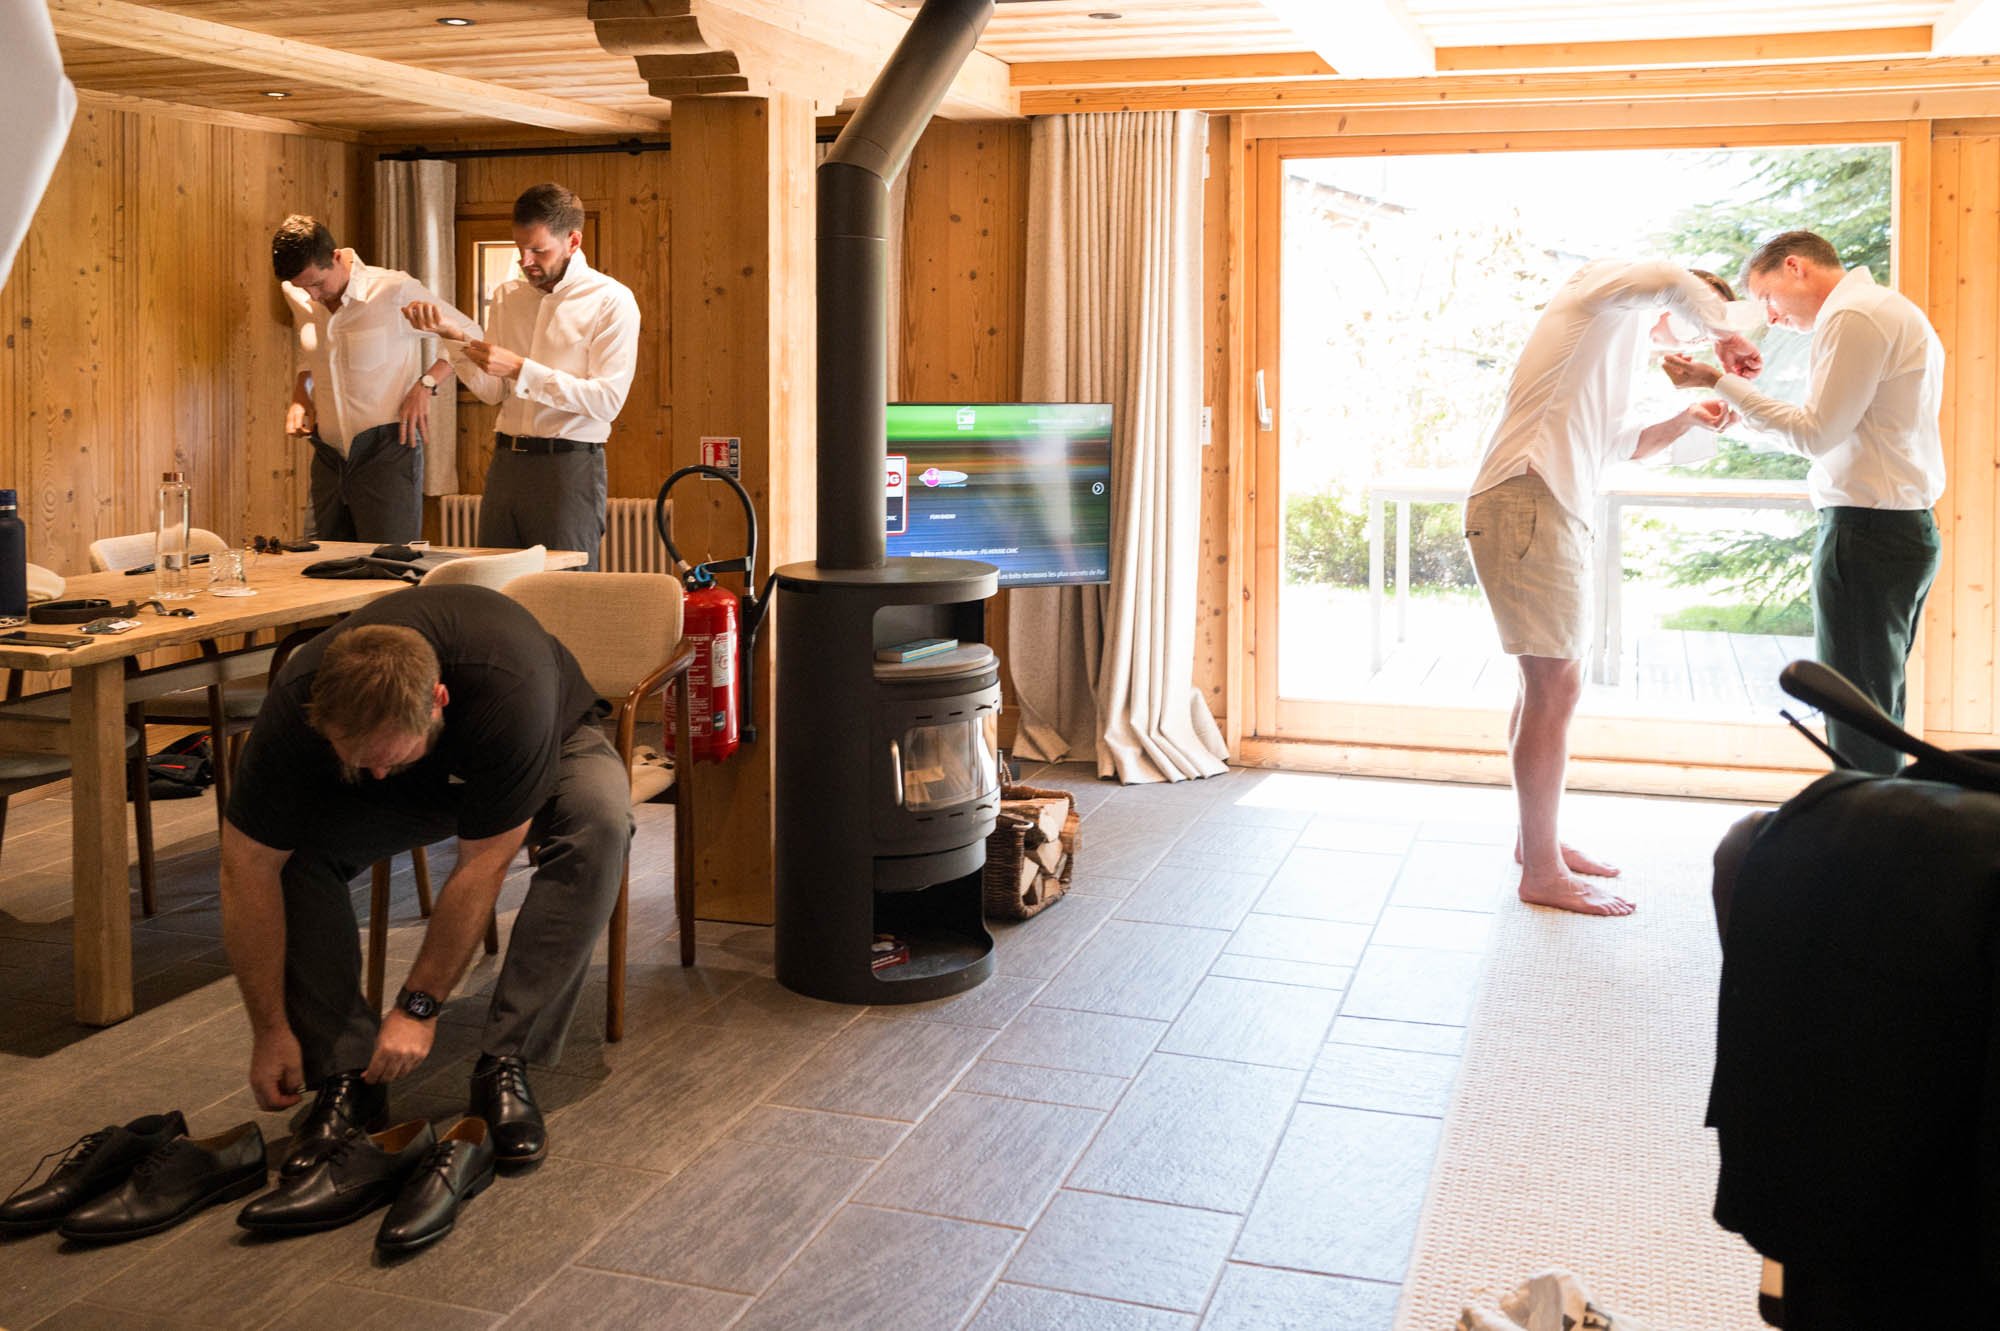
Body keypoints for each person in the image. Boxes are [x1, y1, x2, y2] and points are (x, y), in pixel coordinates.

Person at [218, 584, 630, 1173]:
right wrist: (270, 1029)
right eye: (359, 759)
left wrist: (418, 1007)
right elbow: (246, 867)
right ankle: (344, 1072)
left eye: (388, 757)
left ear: (437, 699)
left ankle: (505, 1061)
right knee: (294, 855)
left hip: (548, 743)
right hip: (429, 773)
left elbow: (483, 863)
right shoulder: (297, 705)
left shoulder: (509, 688)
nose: (377, 772)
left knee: (600, 825)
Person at [1464, 258, 1764, 916]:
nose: (1690, 341)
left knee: (1541, 683)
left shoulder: (1612, 352)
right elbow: (1666, 279)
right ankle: (1541, 869)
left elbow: (1621, 443)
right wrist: (1726, 331)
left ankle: (1535, 846)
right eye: (1694, 322)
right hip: (1529, 495)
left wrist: (1687, 417)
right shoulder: (1600, 296)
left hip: (1542, 500)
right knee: (1556, 684)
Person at [1664, 230, 1946, 775]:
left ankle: (1867, 839)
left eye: (1766, 298)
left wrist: (1718, 381)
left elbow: (1816, 434)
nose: (1768, 318)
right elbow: (1833, 431)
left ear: (1795, 268)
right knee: (1874, 701)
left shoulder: (1856, 317)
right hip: (1896, 528)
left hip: (1867, 533)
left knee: (1855, 707)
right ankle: (1882, 824)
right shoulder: (1883, 309)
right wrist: (1739, 413)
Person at [403, 183, 640, 570]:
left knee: (566, 595)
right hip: (505, 465)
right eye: (519, 249)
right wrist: (452, 338)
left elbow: (607, 402)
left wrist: (520, 368)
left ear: (573, 241)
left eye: (538, 250)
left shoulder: (611, 301)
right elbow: (493, 393)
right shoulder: (508, 296)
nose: (526, 260)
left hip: (569, 469)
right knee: (496, 588)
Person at [274, 215, 475, 544]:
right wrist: (301, 392)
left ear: (336, 257)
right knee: (320, 566)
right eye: (301, 287)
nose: (311, 294)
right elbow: (313, 349)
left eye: (317, 283)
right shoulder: (298, 294)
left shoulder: (394, 290)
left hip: (387, 452)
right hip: (328, 456)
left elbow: (470, 335)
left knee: (387, 570)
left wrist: (426, 384)